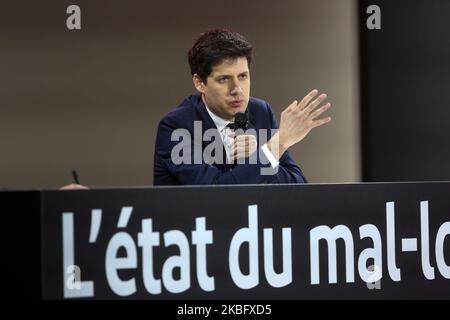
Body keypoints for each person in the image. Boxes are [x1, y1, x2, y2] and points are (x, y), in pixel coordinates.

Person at [154, 28, 331, 185]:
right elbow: (215, 196)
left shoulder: (260, 112)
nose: (237, 90)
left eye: (243, 76)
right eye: (224, 79)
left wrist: (259, 156)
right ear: (199, 83)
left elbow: (297, 187)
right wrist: (274, 147)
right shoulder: (176, 127)